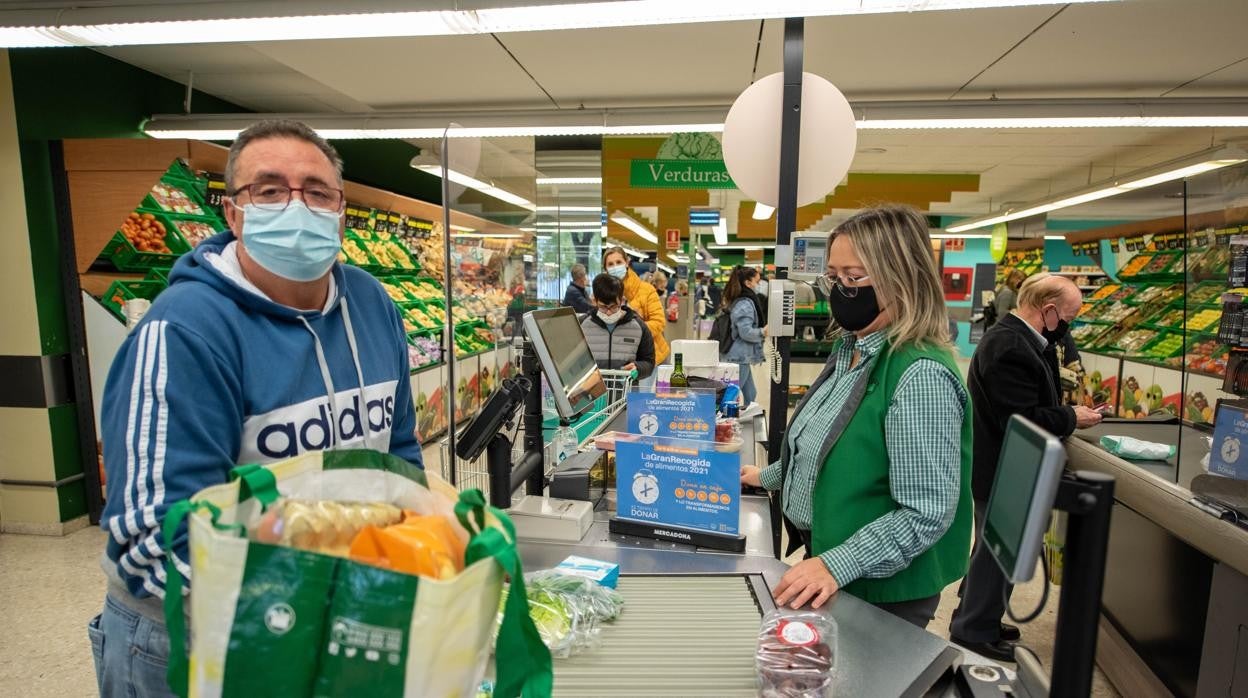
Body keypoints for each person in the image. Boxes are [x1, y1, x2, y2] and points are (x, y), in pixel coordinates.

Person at [90, 120, 425, 696]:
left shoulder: (372, 305)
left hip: (325, 617)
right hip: (190, 639)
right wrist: (308, 600)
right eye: (269, 190)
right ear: (233, 212)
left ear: (340, 210)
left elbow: (398, 457)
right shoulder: (184, 332)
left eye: (316, 192)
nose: (297, 206)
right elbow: (152, 542)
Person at [741, 205, 973, 629]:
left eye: (854, 277)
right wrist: (768, 477)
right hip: (835, 566)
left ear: (902, 277)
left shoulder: (919, 376)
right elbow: (825, 449)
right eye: (834, 277)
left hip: (882, 591)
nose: (840, 290)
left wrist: (835, 564)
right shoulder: (853, 348)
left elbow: (926, 512)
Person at [949, 272, 1102, 661]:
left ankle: (976, 613)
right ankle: (973, 628)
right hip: (1004, 465)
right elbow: (1020, 419)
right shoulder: (1011, 347)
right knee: (997, 553)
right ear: (1048, 311)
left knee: (991, 547)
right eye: (1069, 317)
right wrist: (1071, 416)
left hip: (1000, 463)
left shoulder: (1020, 340)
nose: (1069, 327)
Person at [579, 273, 656, 379]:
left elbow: (649, 362)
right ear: (595, 301)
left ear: (622, 300)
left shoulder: (638, 326)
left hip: (626, 392)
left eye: (614, 306)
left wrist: (638, 368)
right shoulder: (581, 325)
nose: (609, 312)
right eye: (603, 307)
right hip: (592, 392)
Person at [602, 247, 668, 367]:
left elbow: (659, 322)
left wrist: (631, 330)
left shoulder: (646, 290)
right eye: (610, 264)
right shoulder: (604, 295)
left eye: (619, 262)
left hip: (651, 357)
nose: (615, 267)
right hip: (620, 359)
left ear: (626, 263)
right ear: (605, 269)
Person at [720, 265, 768, 405]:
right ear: (748, 283)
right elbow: (745, 332)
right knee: (730, 396)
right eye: (757, 282)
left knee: (751, 394)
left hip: (741, 355)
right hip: (739, 357)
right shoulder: (745, 304)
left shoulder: (743, 300)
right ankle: (722, 423)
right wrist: (763, 331)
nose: (759, 285)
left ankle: (748, 419)